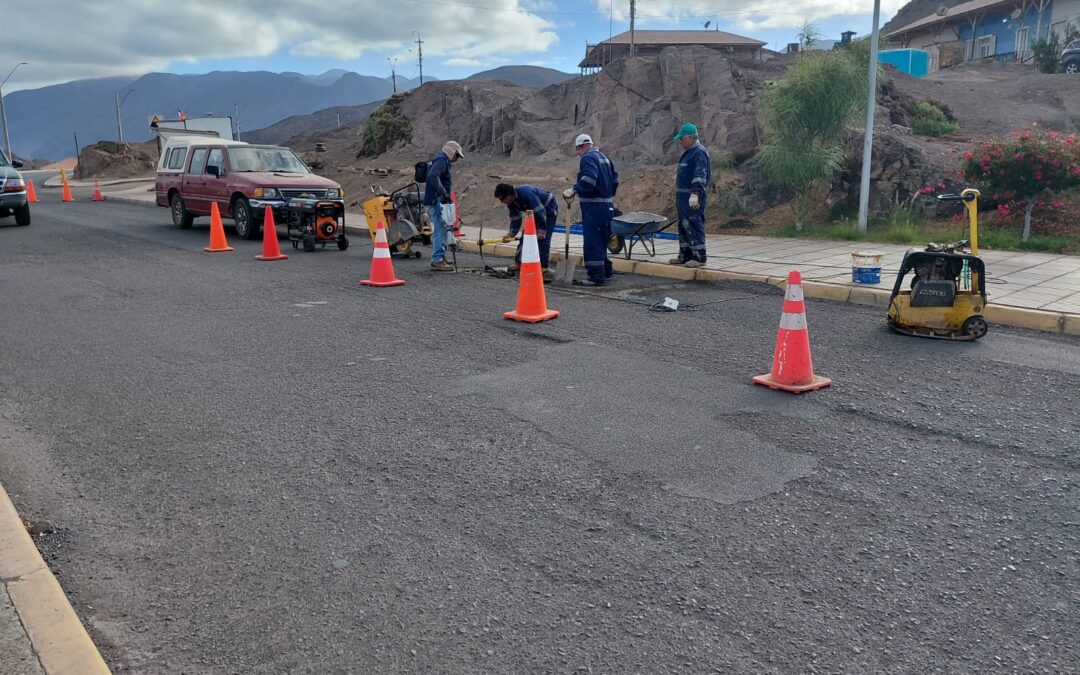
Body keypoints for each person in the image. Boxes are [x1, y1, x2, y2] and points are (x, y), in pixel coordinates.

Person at [563, 133, 618, 286]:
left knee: (592, 242)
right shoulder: (605, 158)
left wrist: (574, 189)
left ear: (581, 147)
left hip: (594, 208)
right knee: (602, 241)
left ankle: (596, 276)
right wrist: (607, 195)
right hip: (607, 206)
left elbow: (589, 180)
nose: (578, 154)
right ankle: (606, 271)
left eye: (578, 150)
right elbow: (615, 180)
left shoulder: (587, 158)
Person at [670, 123, 711, 268]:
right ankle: (685, 255)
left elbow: (699, 176)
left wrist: (695, 194)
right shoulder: (688, 153)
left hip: (692, 197)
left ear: (691, 137)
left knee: (694, 223)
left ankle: (699, 257)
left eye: (682, 139)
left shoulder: (699, 153)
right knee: (683, 225)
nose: (680, 142)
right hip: (682, 198)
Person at [494, 183, 558, 275]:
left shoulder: (526, 193)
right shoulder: (511, 203)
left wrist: (542, 231)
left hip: (548, 208)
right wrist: (511, 234)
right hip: (533, 212)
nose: (501, 201)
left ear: (509, 194)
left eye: (502, 198)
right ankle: (519, 263)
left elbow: (540, 212)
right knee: (525, 236)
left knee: (543, 239)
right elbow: (515, 218)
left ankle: (543, 266)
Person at [424, 140, 464, 271]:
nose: (457, 158)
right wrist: (443, 193)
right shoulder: (441, 160)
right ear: (451, 152)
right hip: (436, 199)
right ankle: (437, 260)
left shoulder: (441, 160)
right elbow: (433, 177)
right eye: (457, 155)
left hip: (437, 199)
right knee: (441, 230)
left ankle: (441, 255)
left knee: (443, 228)